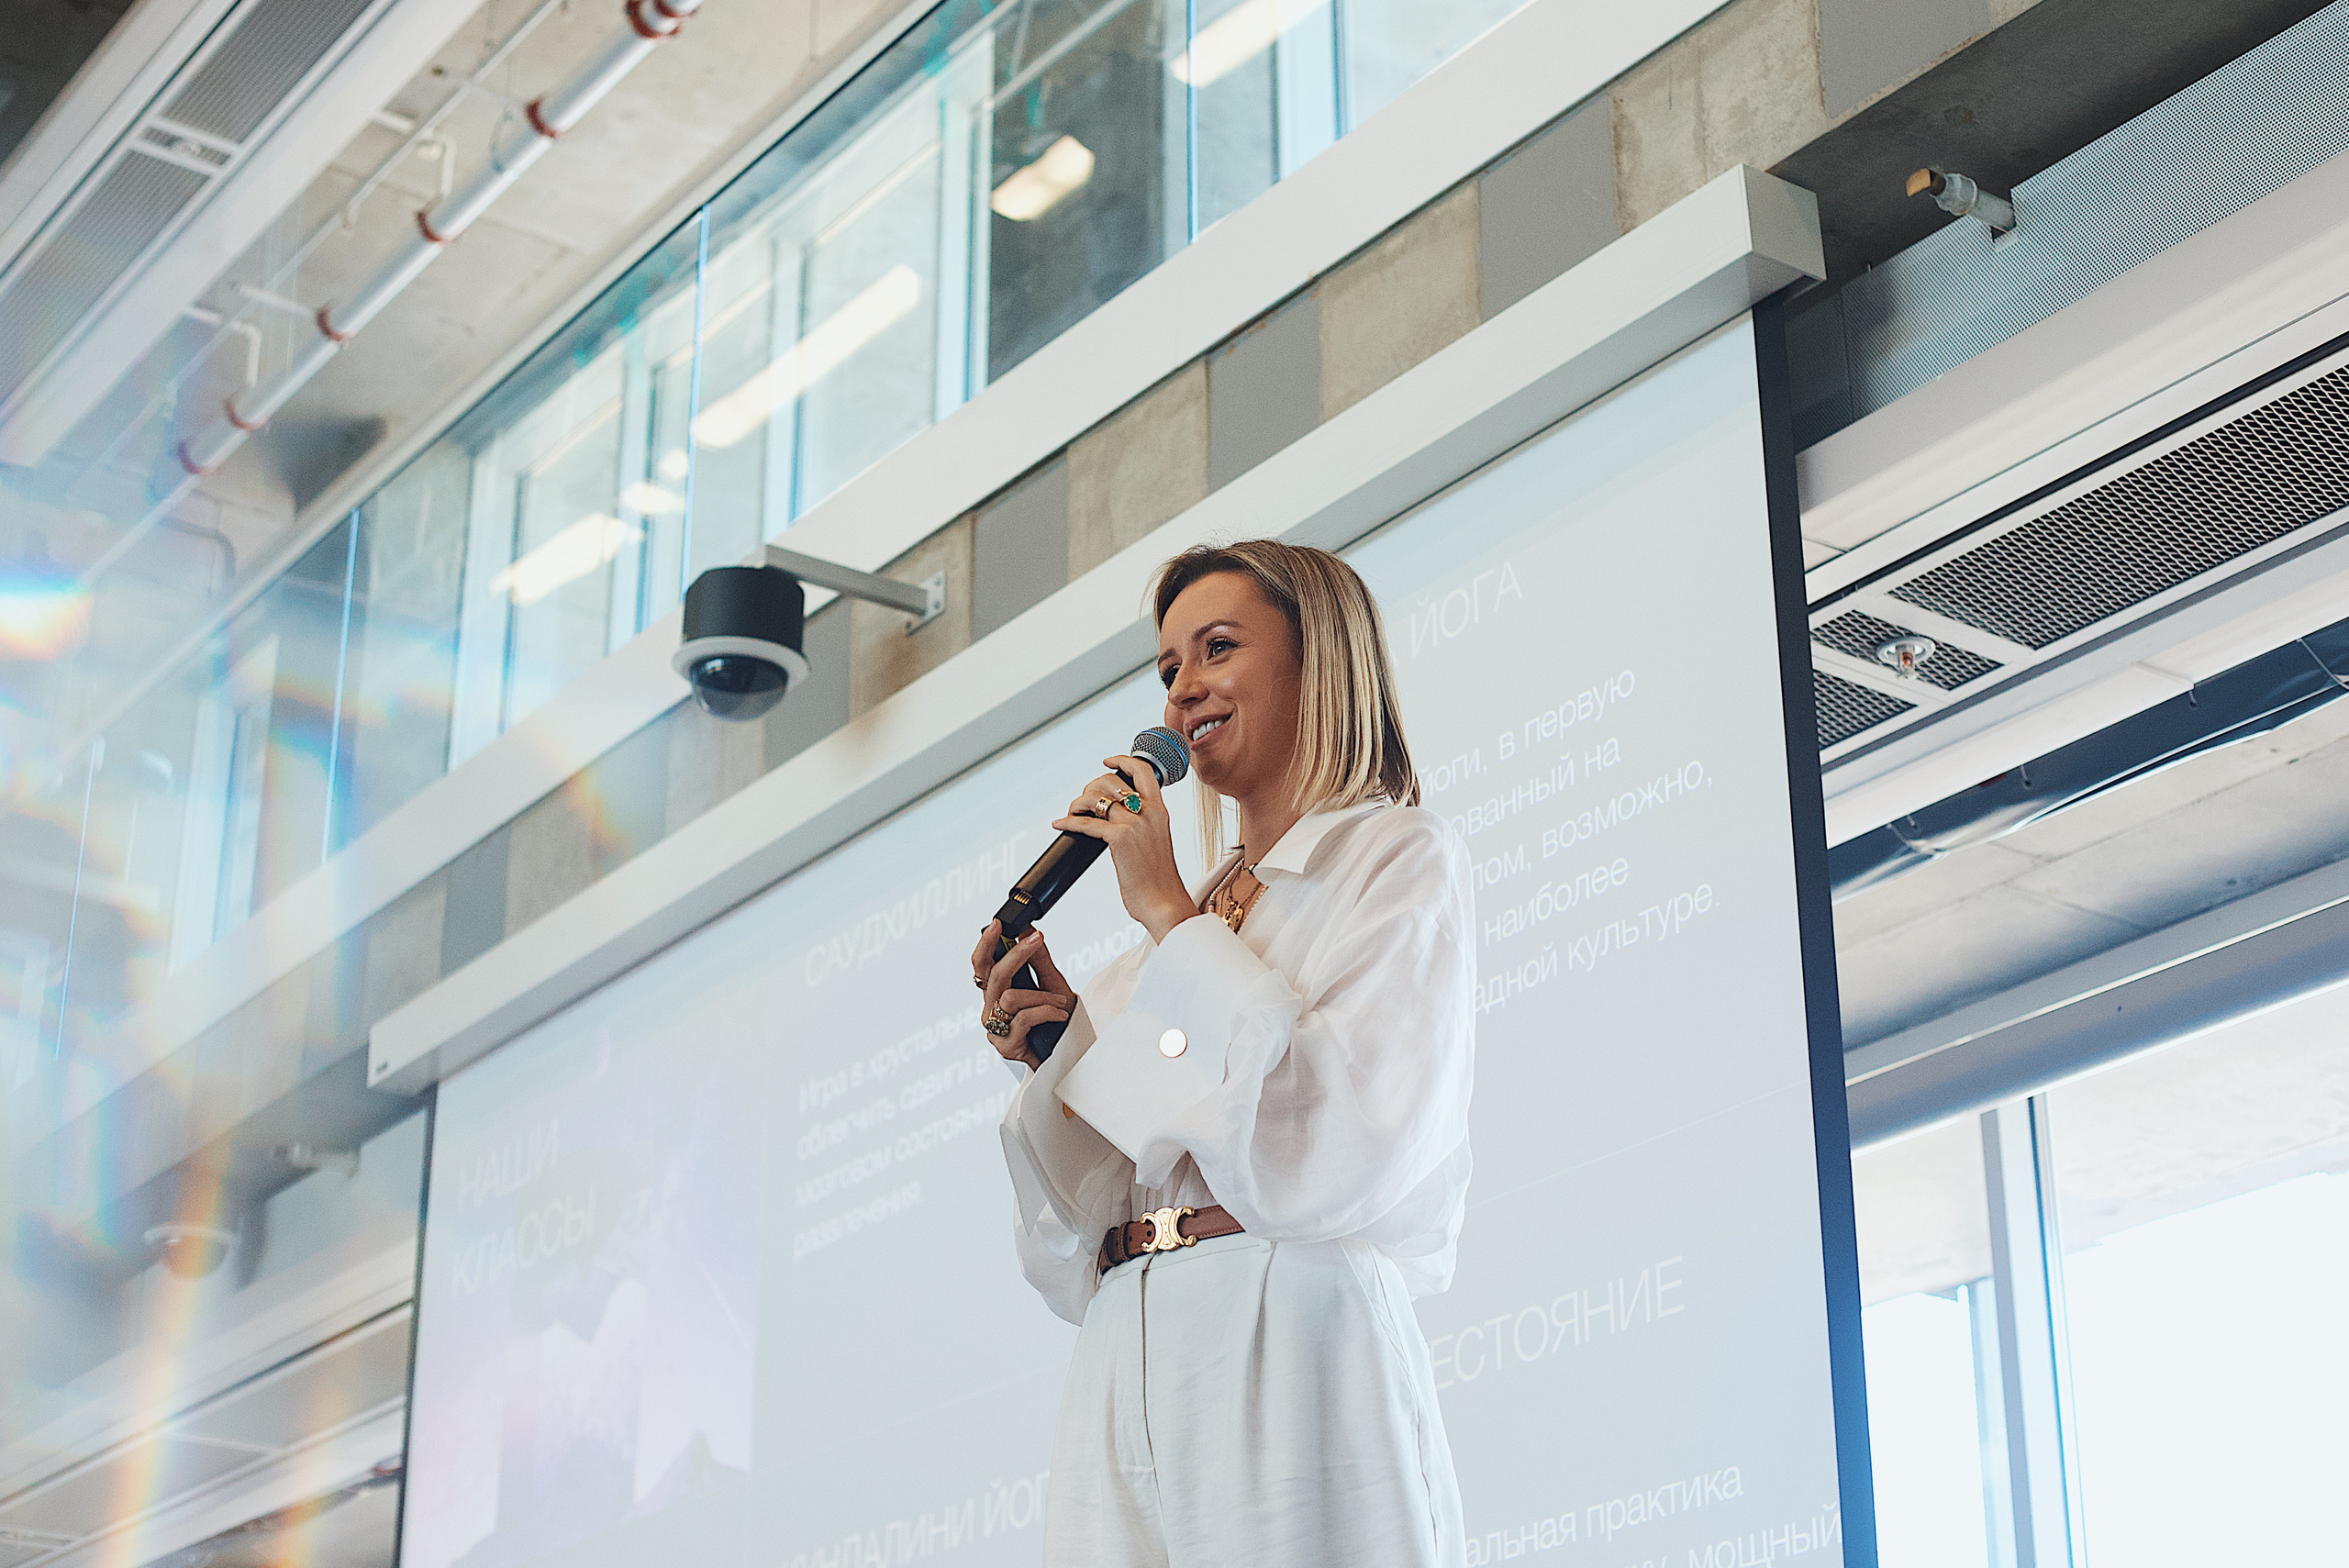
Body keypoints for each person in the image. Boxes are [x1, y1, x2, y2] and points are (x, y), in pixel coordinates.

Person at [970, 539, 1476, 1567]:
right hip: (1126, 1350)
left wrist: (1166, 911)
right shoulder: (1184, 927)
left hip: (1288, 1334)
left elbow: (1336, 1136)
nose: (1183, 688)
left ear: (1314, 658)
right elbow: (1091, 1213)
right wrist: (1063, 1049)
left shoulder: (1391, 857)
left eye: (1216, 647)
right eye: (1168, 667)